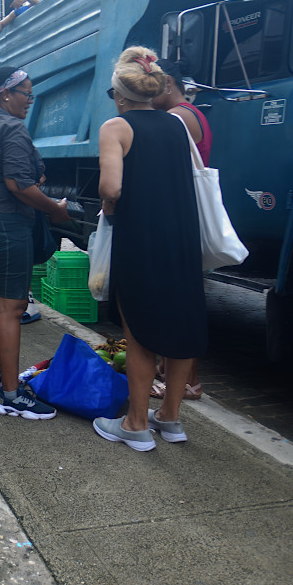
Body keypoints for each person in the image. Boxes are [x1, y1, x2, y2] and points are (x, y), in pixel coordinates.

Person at [93, 46, 207, 452]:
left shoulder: (116, 127)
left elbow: (111, 187)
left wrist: (108, 208)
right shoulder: (179, 125)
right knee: (179, 324)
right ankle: (171, 419)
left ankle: (136, 424)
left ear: (120, 94)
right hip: (182, 236)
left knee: (139, 333)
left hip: (141, 237)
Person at [0, 67, 71, 420]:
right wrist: (56, 211)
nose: (30, 100)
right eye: (26, 93)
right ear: (6, 94)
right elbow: (19, 185)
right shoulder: (11, 127)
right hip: (5, 223)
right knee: (12, 306)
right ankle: (10, 395)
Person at [151, 58, 212, 402]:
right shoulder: (191, 114)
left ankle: (189, 382)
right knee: (178, 297)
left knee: (175, 300)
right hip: (181, 214)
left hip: (177, 215)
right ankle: (175, 373)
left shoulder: (176, 118)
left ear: (169, 84)